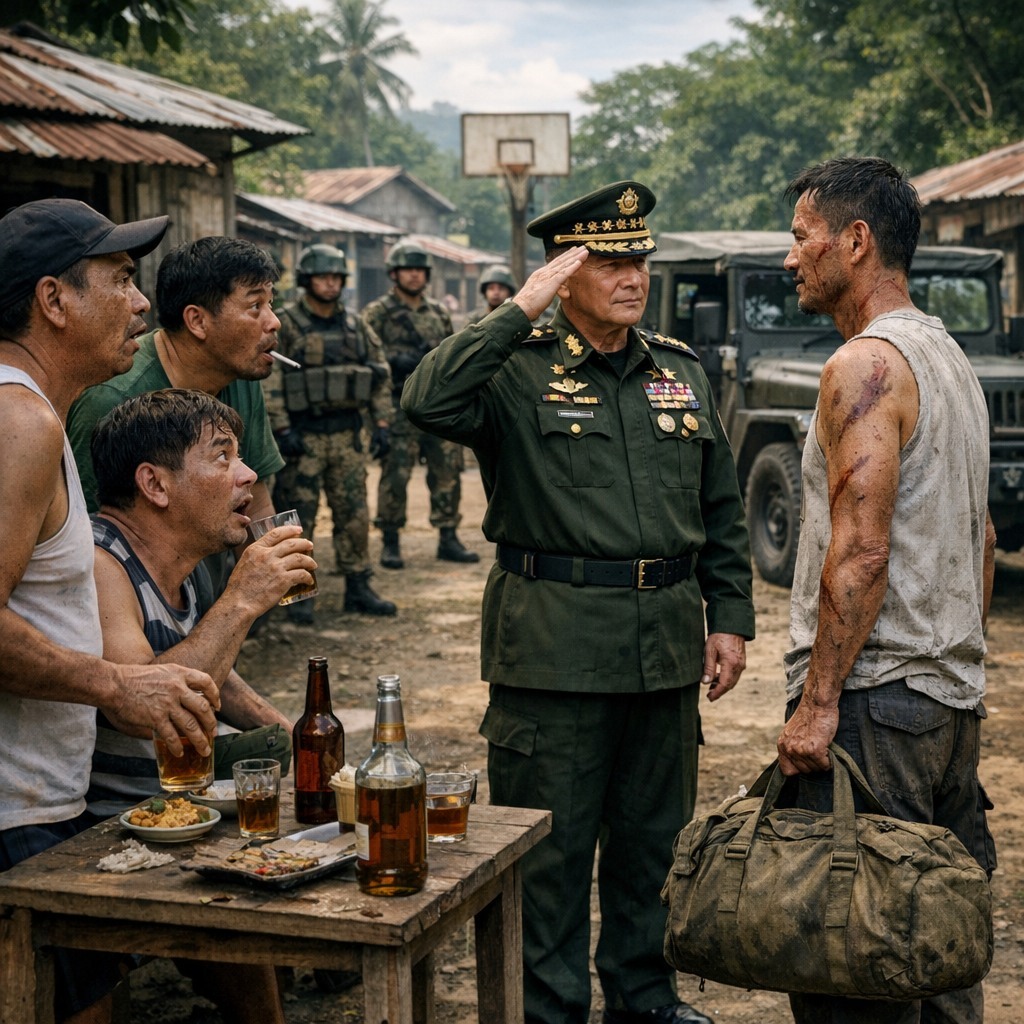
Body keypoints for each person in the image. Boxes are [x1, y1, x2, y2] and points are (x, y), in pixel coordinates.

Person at [403, 181, 755, 1024]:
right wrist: (516, 310)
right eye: (608, 260)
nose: (633, 275)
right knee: (550, 861)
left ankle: (644, 999)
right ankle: (550, 1012)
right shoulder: (516, 371)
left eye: (639, 258)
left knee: (652, 847)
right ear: (565, 273)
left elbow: (721, 509)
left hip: (664, 651)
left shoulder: (679, 371)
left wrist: (731, 619)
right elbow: (424, 399)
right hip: (554, 654)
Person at [776, 157, 997, 1024]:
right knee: (937, 958)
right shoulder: (951, 360)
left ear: (855, 241)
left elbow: (861, 554)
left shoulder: (864, 367)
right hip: (949, 709)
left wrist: (820, 703)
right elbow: (979, 541)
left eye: (802, 237)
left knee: (852, 973)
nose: (790, 258)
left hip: (875, 709)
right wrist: (955, 668)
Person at [0, 198, 219, 1024]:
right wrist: (114, 687)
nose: (140, 302)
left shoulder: (31, 414)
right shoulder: (17, 419)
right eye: (122, 280)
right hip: (14, 811)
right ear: (53, 301)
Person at [85, 388, 315, 1023]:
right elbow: (149, 701)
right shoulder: (103, 561)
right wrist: (241, 600)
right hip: (106, 827)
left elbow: (214, 670)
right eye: (222, 457)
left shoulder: (180, 565)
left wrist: (293, 734)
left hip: (173, 811)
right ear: (155, 485)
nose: (247, 475)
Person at [67, 236, 285, 598]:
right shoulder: (115, 400)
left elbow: (255, 494)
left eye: (271, 303)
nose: (274, 322)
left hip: (203, 599)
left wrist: (274, 571)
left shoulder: (238, 372)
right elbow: (89, 537)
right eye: (255, 306)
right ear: (197, 320)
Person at [264, 242, 395, 622]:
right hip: (302, 437)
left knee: (354, 513)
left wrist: (382, 422)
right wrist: (282, 426)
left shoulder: (356, 325)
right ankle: (298, 593)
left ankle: (358, 585)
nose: (330, 284)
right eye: (323, 277)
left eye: (336, 277)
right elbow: (269, 379)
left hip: (347, 435)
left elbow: (378, 374)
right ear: (307, 280)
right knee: (297, 518)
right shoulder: (285, 323)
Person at [362, 239, 480, 569]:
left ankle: (447, 536)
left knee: (447, 471)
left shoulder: (438, 312)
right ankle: (390, 540)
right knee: (395, 476)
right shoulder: (377, 313)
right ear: (394, 274)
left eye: (419, 270)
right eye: (407, 270)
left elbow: (449, 356)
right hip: (397, 406)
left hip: (435, 405)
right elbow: (366, 357)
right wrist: (392, 361)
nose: (414, 276)